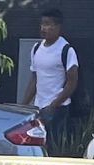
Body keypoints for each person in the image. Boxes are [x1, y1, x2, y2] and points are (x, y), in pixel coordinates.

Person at [21, 8, 78, 152]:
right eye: (42, 24)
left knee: (54, 148)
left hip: (58, 109)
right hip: (38, 108)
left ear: (57, 27)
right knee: (38, 148)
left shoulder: (66, 50)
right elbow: (35, 78)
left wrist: (53, 105)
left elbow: (72, 82)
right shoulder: (36, 48)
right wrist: (23, 105)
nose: (43, 28)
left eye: (47, 24)